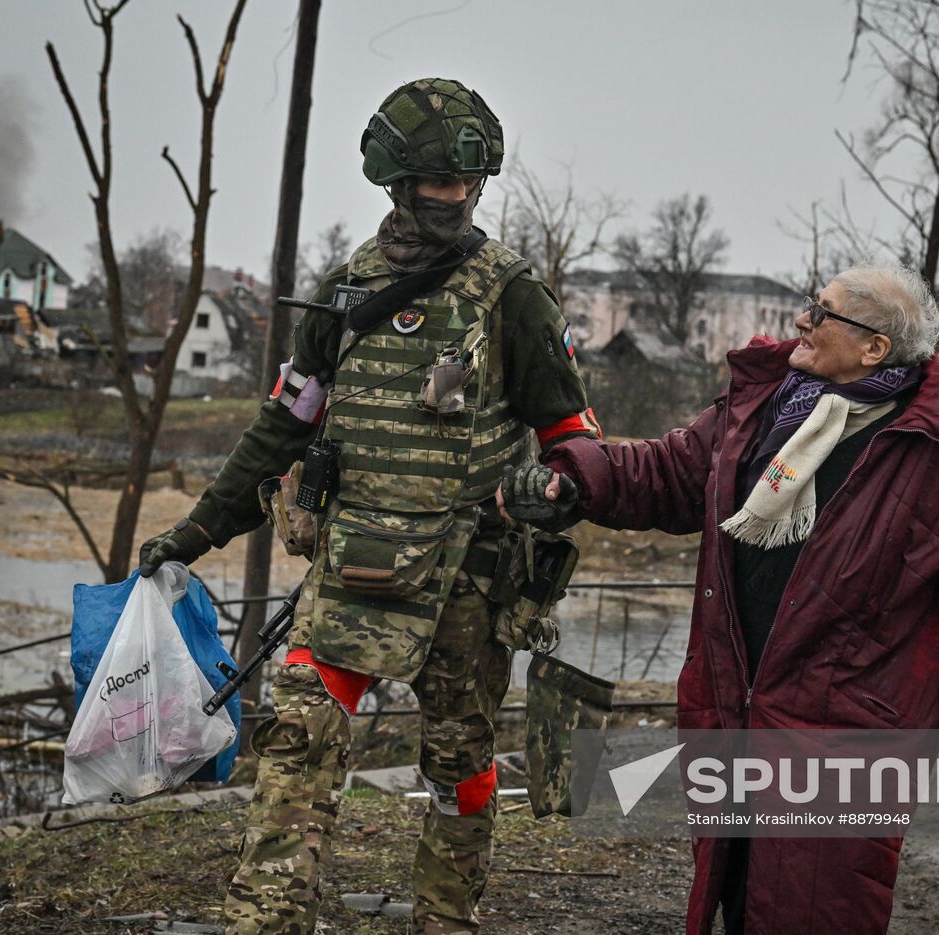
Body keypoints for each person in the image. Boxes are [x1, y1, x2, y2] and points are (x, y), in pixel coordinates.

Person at [139, 77, 601, 935]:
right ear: (396, 181)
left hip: (470, 581)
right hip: (353, 570)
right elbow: (280, 428)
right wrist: (194, 533)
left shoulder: (512, 298)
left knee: (460, 767)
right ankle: (265, 921)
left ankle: (444, 920)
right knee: (297, 739)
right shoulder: (345, 294)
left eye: (468, 183)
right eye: (436, 182)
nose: (455, 198)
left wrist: (558, 486)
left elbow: (574, 435)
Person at [499, 264, 939, 935]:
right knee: (735, 888)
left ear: (875, 347)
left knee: (820, 902)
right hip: (733, 704)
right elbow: (663, 472)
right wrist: (574, 480)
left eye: (821, 313)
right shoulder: (762, 411)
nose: (802, 320)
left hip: (849, 729)